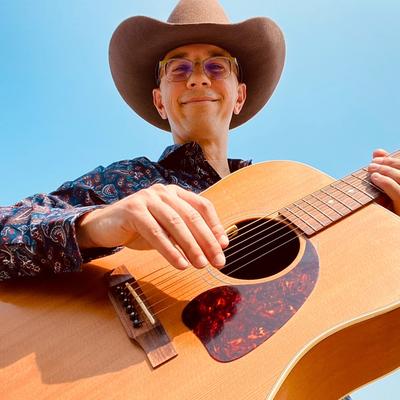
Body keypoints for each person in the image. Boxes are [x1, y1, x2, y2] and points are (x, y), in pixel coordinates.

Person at [0, 0, 399, 282]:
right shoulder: (127, 181)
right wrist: (97, 224)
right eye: (178, 69)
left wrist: (388, 226)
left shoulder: (280, 188)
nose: (197, 78)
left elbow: (346, 297)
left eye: (216, 66)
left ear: (239, 96)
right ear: (160, 101)